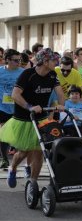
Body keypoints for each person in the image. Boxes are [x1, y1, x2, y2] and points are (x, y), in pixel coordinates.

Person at [0, 48, 65, 188]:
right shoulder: (27, 74)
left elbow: (60, 93)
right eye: (54, 60)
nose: (57, 62)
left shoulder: (53, 75)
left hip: (41, 118)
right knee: (24, 151)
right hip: (23, 117)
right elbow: (15, 95)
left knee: (38, 151)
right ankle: (13, 168)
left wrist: (61, 105)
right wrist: (30, 107)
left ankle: (33, 183)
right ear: (45, 61)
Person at [0, 49, 25, 170]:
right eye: (15, 60)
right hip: (2, 106)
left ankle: (17, 158)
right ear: (7, 60)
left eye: (19, 60)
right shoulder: (0, 72)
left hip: (17, 107)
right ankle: (4, 159)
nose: (18, 62)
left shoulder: (23, 72)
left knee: (16, 135)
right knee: (4, 132)